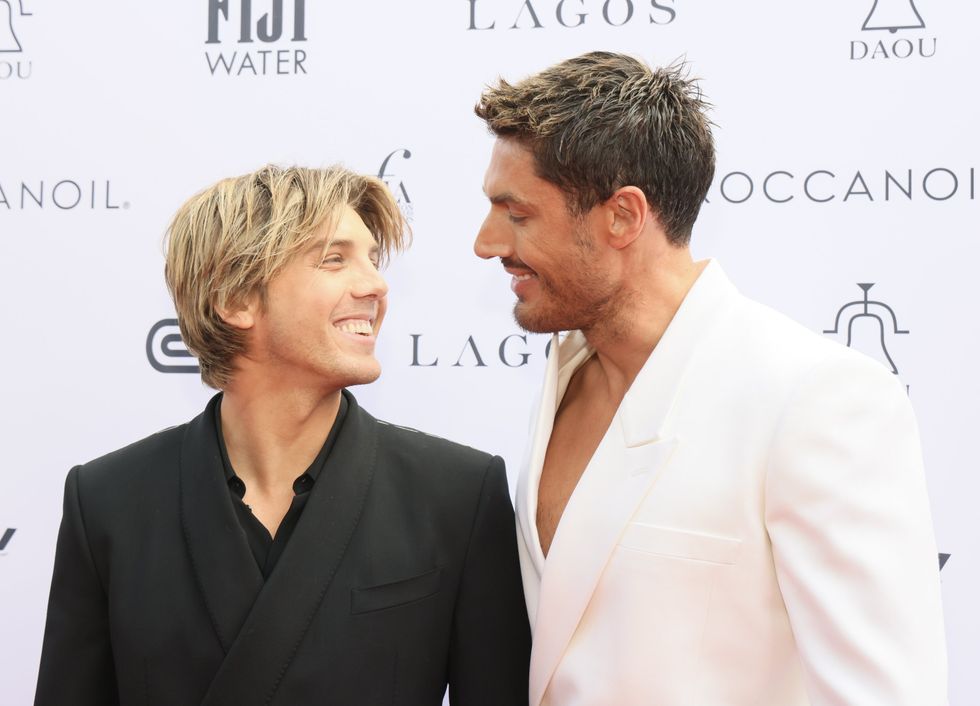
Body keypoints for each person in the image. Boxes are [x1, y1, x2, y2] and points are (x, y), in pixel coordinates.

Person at [473, 52, 947, 706]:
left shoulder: (813, 398)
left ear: (623, 216)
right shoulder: (566, 377)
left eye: (518, 214)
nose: (486, 243)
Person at [35, 165, 530, 706]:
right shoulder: (107, 501)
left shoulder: (458, 495)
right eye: (335, 259)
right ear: (236, 299)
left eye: (372, 259)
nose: (376, 284)